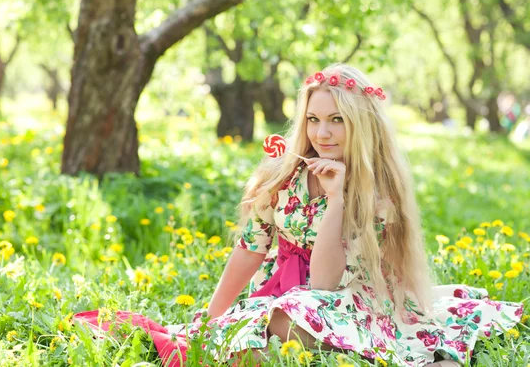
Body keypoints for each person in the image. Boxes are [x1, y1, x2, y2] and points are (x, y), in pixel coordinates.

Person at [74, 63, 523, 366]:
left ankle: (262, 343)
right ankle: (230, 341)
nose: (322, 133)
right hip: (278, 291)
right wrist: (210, 320)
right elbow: (249, 252)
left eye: (337, 121)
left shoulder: (378, 192)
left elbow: (325, 287)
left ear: (360, 125)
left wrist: (335, 202)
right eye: (313, 119)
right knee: (255, 327)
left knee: (292, 319)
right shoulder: (282, 174)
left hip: (352, 300)